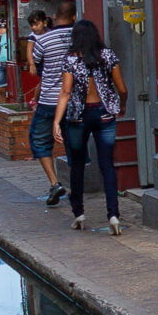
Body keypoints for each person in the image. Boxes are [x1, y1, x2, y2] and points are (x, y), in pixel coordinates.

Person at [53, 17, 126, 235]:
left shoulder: (71, 59)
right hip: (104, 114)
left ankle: (79, 213)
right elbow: (121, 88)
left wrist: (56, 122)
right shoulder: (108, 56)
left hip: (78, 116)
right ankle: (113, 214)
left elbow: (65, 92)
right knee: (107, 165)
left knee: (76, 164)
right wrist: (122, 106)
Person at [26, 8, 73, 206]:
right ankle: (76, 185)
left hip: (50, 101)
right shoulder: (79, 36)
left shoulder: (42, 41)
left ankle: (55, 183)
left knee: (39, 140)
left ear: (52, 18)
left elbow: (34, 64)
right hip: (75, 101)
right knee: (75, 141)